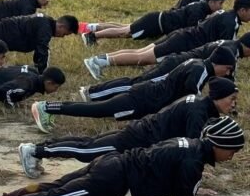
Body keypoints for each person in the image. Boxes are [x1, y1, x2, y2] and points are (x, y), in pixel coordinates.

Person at [0, 116, 244, 196]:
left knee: (50, 191)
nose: (232, 156)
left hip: (112, 164)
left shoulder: (189, 146)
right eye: (232, 150)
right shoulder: (193, 162)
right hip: (112, 178)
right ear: (219, 144)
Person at [18, 77, 238, 177]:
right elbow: (193, 149)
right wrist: (196, 176)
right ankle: (34, 150)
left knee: (89, 145)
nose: (234, 103)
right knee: (87, 150)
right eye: (232, 99)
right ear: (218, 97)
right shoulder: (198, 112)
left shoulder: (201, 105)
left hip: (142, 133)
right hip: (139, 137)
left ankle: (37, 150)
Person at [30, 48, 235, 133]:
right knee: (95, 110)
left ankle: (48, 107)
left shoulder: (198, 63)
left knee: (98, 110)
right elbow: (193, 98)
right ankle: (47, 107)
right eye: (227, 70)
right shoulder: (201, 70)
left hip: (146, 97)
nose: (226, 74)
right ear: (221, 65)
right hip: (144, 99)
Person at [83, 0, 250, 80]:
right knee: (142, 58)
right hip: (183, 42)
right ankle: (98, 62)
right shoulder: (231, 23)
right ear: (242, 10)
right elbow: (224, 50)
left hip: (182, 36)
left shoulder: (226, 15)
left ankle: (99, 59)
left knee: (140, 52)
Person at [80, 34, 250, 102]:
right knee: (137, 84)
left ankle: (95, 92)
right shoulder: (230, 52)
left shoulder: (230, 46)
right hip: (177, 65)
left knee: (138, 81)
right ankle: (92, 92)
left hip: (182, 64)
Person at [81, 0, 226, 45]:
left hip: (156, 20)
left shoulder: (202, 9)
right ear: (211, 2)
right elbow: (191, 30)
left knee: (125, 28)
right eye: (220, 3)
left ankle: (94, 31)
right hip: (155, 22)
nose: (221, 7)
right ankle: (92, 36)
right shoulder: (199, 10)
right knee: (125, 32)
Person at [0, 65, 66, 109]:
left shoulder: (33, 73)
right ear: (49, 83)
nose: (56, 90)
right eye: (56, 87)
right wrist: (11, 107)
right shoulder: (28, 84)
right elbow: (6, 90)